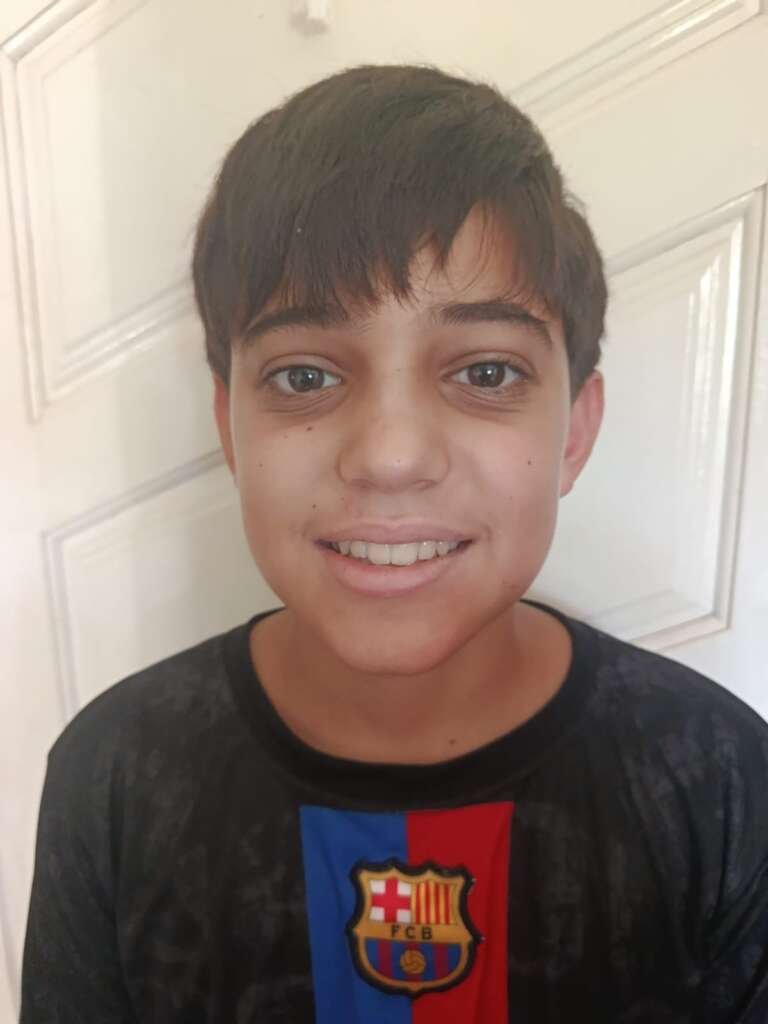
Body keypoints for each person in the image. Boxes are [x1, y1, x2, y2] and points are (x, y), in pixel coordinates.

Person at [19, 63, 768, 1023]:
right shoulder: (117, 775)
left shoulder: (716, 778)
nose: (390, 456)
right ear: (228, 429)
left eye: (486, 371)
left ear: (575, 434)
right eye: (304, 377)